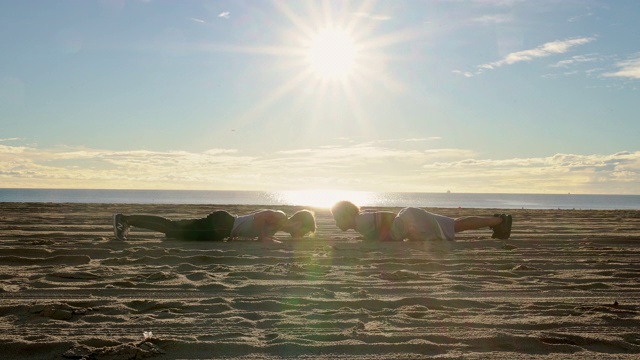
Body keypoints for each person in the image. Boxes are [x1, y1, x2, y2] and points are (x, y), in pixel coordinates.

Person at [330, 200, 512, 242]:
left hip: (411, 219)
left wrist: (389, 236)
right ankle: (497, 221)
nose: (337, 224)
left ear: (346, 215)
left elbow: (387, 217)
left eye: (337, 219)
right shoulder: (361, 221)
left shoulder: (360, 221)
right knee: (454, 225)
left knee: (455, 226)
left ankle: (499, 222)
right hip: (409, 219)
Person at [112, 209, 316, 242]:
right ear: (298, 222)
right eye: (303, 230)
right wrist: (263, 237)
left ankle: (127, 220)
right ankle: (125, 219)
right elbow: (258, 218)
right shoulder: (280, 217)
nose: (302, 235)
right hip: (223, 225)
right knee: (171, 227)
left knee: (175, 229)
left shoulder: (279, 227)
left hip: (223, 227)